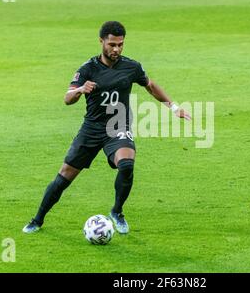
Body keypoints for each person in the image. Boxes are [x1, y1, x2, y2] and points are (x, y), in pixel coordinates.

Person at [23, 21, 191, 234]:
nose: (116, 49)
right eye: (112, 44)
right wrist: (81, 89)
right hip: (91, 129)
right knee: (65, 176)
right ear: (101, 41)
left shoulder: (131, 67)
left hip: (118, 125)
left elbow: (149, 85)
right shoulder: (87, 69)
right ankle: (37, 220)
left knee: (127, 164)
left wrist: (173, 107)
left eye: (120, 44)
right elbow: (67, 99)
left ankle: (117, 212)